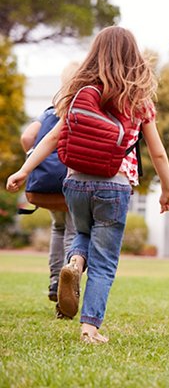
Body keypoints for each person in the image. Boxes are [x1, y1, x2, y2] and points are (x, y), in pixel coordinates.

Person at [7, 26, 169, 344]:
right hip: (115, 185)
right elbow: (157, 152)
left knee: (81, 235)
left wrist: (24, 169)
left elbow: (52, 137)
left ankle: (74, 262)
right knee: (105, 261)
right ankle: (90, 328)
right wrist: (167, 191)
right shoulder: (137, 99)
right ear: (132, 57)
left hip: (74, 182)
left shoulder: (81, 94)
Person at [20, 62, 79, 304]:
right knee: (74, 231)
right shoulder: (80, 110)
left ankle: (55, 281)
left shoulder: (48, 111)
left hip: (46, 184)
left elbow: (26, 137)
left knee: (57, 228)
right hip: (70, 181)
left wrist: (33, 157)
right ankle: (68, 280)